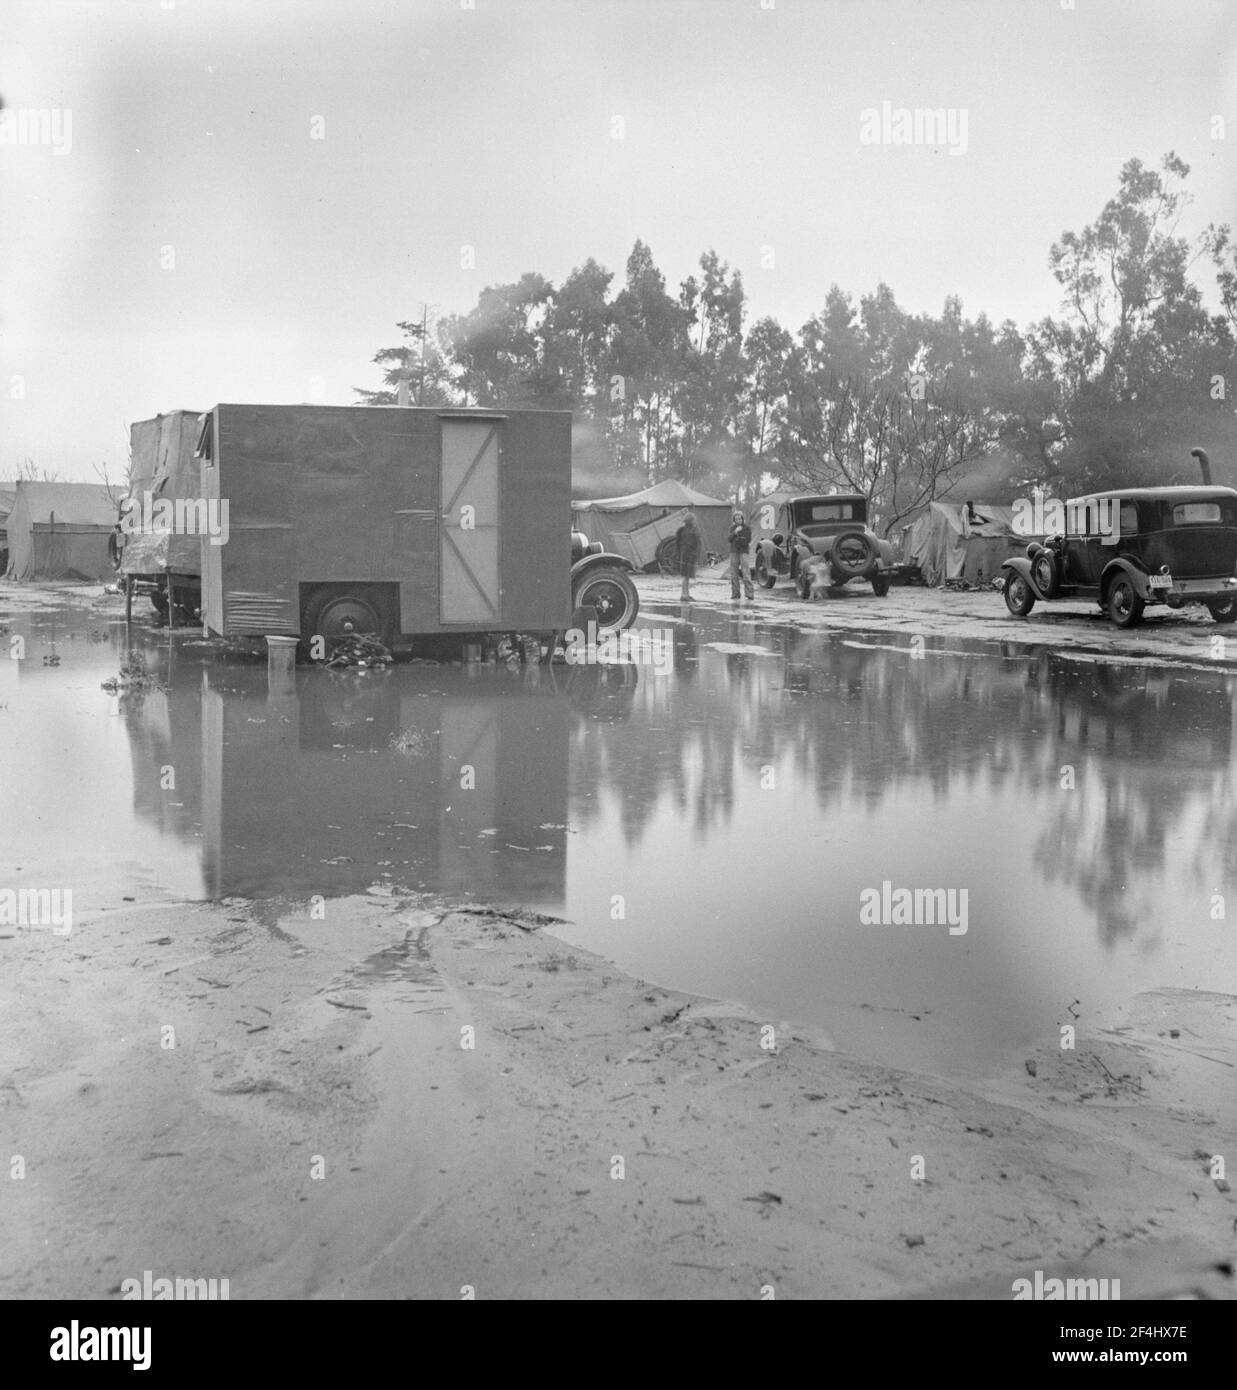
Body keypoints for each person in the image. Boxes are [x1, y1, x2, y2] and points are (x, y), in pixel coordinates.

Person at [675, 507, 702, 602]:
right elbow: (698, 543)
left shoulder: (681, 530)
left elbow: (677, 544)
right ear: (691, 521)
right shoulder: (694, 530)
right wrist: (698, 557)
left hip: (683, 555)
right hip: (690, 555)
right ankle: (684, 594)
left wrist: (678, 554)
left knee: (685, 575)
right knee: (686, 576)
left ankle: (686, 594)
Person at [727, 508, 754, 600]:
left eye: (740, 519)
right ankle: (735, 593)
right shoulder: (732, 528)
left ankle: (749, 594)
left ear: (742, 519)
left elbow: (748, 539)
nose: (738, 520)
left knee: (746, 573)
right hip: (734, 552)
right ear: (734, 520)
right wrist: (735, 532)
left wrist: (740, 539)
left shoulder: (747, 528)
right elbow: (729, 539)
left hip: (743, 551)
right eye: (736, 519)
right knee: (733, 574)